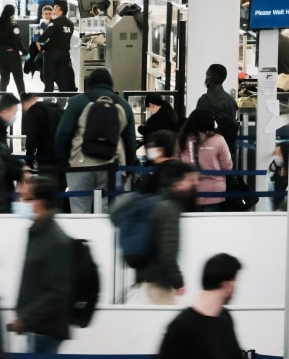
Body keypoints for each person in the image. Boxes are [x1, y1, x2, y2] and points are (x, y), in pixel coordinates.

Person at [8, 175, 74, 359]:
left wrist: (25, 319)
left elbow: (58, 292)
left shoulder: (54, 239)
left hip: (46, 330)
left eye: (25, 197)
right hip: (36, 327)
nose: (20, 201)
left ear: (41, 203)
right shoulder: (37, 231)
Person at [54, 68, 136, 213]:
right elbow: (130, 142)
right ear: (111, 84)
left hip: (80, 165)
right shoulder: (124, 106)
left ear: (90, 84)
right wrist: (128, 169)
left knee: (80, 212)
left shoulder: (77, 102)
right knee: (110, 214)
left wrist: (64, 162)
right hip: (113, 167)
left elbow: (62, 135)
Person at [134, 160, 198, 304]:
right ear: (178, 182)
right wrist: (178, 281)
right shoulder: (169, 208)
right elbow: (168, 250)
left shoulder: (159, 203)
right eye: (189, 180)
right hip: (159, 282)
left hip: (150, 278)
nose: (193, 184)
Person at [177, 108, 233, 212]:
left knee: (190, 226)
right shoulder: (218, 139)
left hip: (189, 191)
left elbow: (175, 164)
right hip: (214, 191)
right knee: (210, 226)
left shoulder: (182, 139)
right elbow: (228, 167)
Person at [196, 63, 238, 154]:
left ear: (209, 77)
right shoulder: (231, 100)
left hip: (209, 149)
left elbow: (199, 126)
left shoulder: (205, 100)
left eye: (206, 75)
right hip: (229, 148)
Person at [37, 0, 76, 93]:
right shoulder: (71, 24)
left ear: (59, 9)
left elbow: (42, 38)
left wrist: (44, 45)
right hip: (65, 55)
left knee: (49, 82)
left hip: (51, 55)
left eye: (54, 8)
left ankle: (48, 104)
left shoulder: (54, 23)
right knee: (63, 83)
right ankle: (62, 104)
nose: (53, 10)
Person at [0, 4, 27, 97]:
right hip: (12, 54)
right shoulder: (13, 25)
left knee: (4, 78)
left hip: (0, 53)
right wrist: (25, 52)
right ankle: (23, 99)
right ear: (12, 13)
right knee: (18, 79)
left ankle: (2, 99)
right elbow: (17, 42)